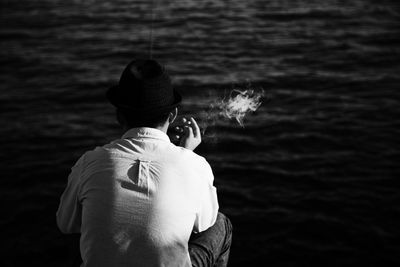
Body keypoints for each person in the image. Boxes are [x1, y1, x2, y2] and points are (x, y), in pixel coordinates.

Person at [56, 59, 232, 267]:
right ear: (172, 114)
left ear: (118, 115)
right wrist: (184, 154)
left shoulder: (89, 162)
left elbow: (65, 224)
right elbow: (205, 222)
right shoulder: (195, 165)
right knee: (221, 223)